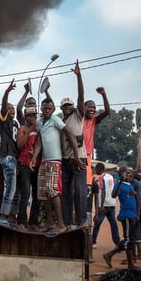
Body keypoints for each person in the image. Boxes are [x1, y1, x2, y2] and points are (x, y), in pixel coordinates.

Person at [32, 98, 83, 236]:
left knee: (53, 192)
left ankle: (61, 224)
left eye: (49, 108)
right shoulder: (40, 122)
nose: (47, 110)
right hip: (44, 161)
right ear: (41, 109)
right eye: (44, 108)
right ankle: (50, 222)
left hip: (55, 161)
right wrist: (33, 158)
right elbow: (39, 143)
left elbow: (71, 135)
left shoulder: (55, 120)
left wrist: (76, 157)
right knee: (43, 194)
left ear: (53, 109)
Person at [59, 60, 88, 228]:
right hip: (65, 159)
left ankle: (82, 220)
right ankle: (67, 220)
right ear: (62, 108)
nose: (68, 107)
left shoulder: (78, 115)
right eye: (65, 106)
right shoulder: (61, 120)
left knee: (80, 190)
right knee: (66, 192)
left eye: (70, 105)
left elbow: (81, 98)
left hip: (80, 158)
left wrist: (79, 76)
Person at [102, 167, 139, 270]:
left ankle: (113, 256)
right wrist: (120, 183)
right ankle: (126, 262)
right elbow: (113, 195)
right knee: (128, 239)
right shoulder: (119, 184)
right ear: (121, 175)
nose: (129, 175)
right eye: (127, 174)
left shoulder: (130, 185)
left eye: (130, 174)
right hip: (126, 215)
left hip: (132, 214)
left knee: (131, 239)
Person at [0, 80, 20, 226]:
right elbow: (3, 107)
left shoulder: (16, 123)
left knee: (15, 189)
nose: (11, 110)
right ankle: (3, 215)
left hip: (14, 158)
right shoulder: (4, 121)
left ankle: (11, 215)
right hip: (7, 157)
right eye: (9, 109)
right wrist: (7, 92)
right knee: (10, 188)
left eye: (13, 109)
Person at [16, 105, 40, 228]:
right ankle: (21, 221)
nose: (33, 117)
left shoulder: (40, 129)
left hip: (37, 165)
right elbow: (19, 144)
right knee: (25, 193)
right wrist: (30, 130)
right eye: (30, 116)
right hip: (24, 164)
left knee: (37, 194)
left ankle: (33, 221)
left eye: (35, 115)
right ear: (26, 117)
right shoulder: (23, 129)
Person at [82, 86, 111, 189]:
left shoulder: (94, 120)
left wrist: (103, 95)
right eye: (89, 107)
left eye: (94, 107)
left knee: (86, 183)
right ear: (83, 108)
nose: (92, 109)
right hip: (76, 154)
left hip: (87, 155)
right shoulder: (79, 119)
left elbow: (107, 112)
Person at [92, 163, 121, 248]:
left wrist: (102, 205)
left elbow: (103, 191)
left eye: (95, 169)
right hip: (112, 203)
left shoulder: (101, 177)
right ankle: (117, 242)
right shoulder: (110, 177)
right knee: (113, 223)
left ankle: (93, 241)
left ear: (99, 169)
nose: (95, 171)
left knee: (97, 222)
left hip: (104, 204)